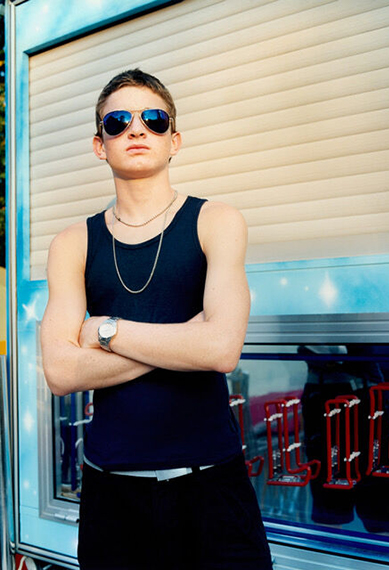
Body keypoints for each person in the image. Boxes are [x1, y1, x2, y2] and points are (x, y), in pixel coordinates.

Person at [40, 68, 272, 570]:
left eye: (154, 119)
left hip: (212, 487)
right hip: (112, 496)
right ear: (100, 145)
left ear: (175, 139)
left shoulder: (216, 220)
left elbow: (220, 350)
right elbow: (61, 372)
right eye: (118, 121)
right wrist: (187, 340)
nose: (137, 130)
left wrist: (107, 332)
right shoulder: (73, 244)